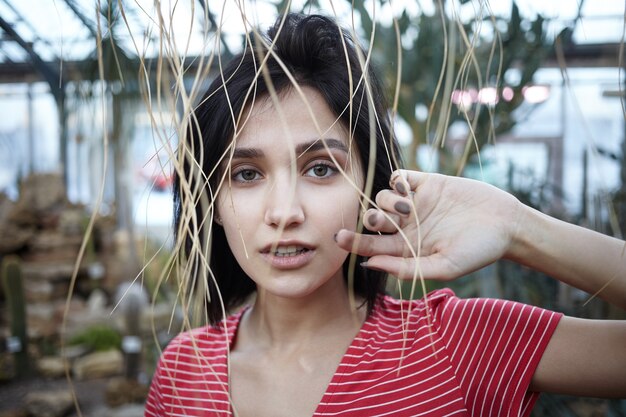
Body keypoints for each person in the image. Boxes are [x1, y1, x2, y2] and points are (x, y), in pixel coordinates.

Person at [144, 13, 626, 417]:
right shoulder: (182, 374)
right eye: (246, 175)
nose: (284, 212)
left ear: (367, 188)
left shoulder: (455, 346)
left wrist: (518, 227)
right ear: (212, 202)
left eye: (320, 168)